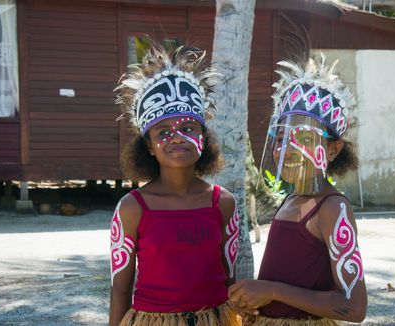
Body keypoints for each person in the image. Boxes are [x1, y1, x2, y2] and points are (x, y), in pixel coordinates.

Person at [228, 55, 367, 325]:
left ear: (333, 149)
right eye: (281, 139)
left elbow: (354, 306)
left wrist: (271, 291)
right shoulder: (290, 200)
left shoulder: (332, 208)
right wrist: (257, 301)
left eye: (303, 138)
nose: (287, 149)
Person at [109, 42, 241, 326]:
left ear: (203, 137)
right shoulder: (132, 207)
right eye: (164, 131)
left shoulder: (224, 203)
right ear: (149, 146)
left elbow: (230, 278)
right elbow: (120, 288)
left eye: (188, 128)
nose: (177, 137)